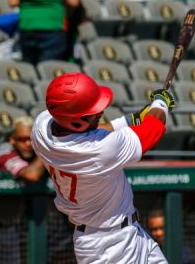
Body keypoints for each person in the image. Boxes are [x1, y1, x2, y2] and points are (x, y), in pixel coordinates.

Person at [31, 72, 175, 263]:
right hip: (108, 248)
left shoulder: (41, 128)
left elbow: (92, 133)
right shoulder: (100, 151)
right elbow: (152, 129)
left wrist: (131, 120)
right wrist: (160, 103)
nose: (100, 113)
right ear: (75, 121)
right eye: (93, 113)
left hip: (129, 233)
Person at [0, 117, 45, 264]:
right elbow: (31, 175)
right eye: (23, 139)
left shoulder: (34, 154)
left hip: (9, 222)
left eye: (31, 139)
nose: (28, 144)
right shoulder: (5, 152)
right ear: (13, 139)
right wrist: (47, 152)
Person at [8, 0, 80, 65]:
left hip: (28, 25)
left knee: (29, 65)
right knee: (50, 67)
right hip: (53, 25)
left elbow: (13, 2)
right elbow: (73, 2)